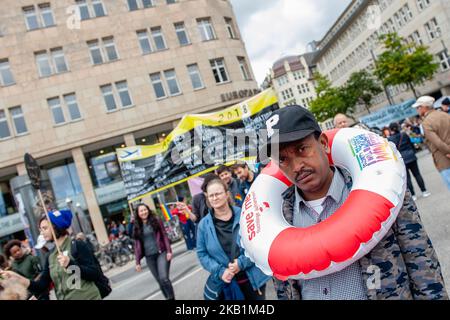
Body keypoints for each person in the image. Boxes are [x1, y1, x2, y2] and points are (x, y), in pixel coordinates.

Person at [261, 104, 447, 300]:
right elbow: (285, 290)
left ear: (323, 143)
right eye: (282, 159)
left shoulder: (382, 189)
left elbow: (423, 264)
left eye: (302, 149)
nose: (296, 166)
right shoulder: (276, 221)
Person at [0, 210, 103, 300]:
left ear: (56, 227)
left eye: (45, 228)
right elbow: (42, 285)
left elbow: (94, 273)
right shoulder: (50, 256)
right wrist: (16, 277)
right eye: (40, 229)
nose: (41, 233)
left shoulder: (77, 245)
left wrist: (70, 264)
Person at [196, 178, 270, 300]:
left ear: (226, 193)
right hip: (227, 282)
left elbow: (258, 243)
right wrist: (220, 271)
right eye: (211, 195)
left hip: (253, 280)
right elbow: (202, 254)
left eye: (218, 193)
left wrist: (241, 263)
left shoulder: (245, 215)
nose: (215, 198)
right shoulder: (203, 225)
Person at [132, 204, 175, 300]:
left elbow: (164, 235)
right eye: (141, 211)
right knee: (160, 281)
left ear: (148, 210)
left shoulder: (156, 220)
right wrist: (137, 262)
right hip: (149, 257)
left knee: (164, 278)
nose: (144, 212)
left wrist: (169, 251)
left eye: (145, 210)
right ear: (138, 214)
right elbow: (137, 245)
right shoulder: (137, 226)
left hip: (161, 253)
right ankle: (168, 298)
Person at [413, 96, 450, 190]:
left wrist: (448, 151)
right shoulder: (445, 115)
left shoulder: (426, 122)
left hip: (443, 159)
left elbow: (437, 142)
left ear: (424, 107)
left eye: (418, 107)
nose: (417, 110)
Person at [388, 122, 431, 201]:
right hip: (411, 156)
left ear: (390, 129)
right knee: (417, 174)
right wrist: (413, 152)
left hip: (402, 160)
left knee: (408, 178)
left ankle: (413, 195)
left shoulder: (390, 139)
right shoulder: (404, 134)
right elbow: (411, 144)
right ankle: (424, 191)